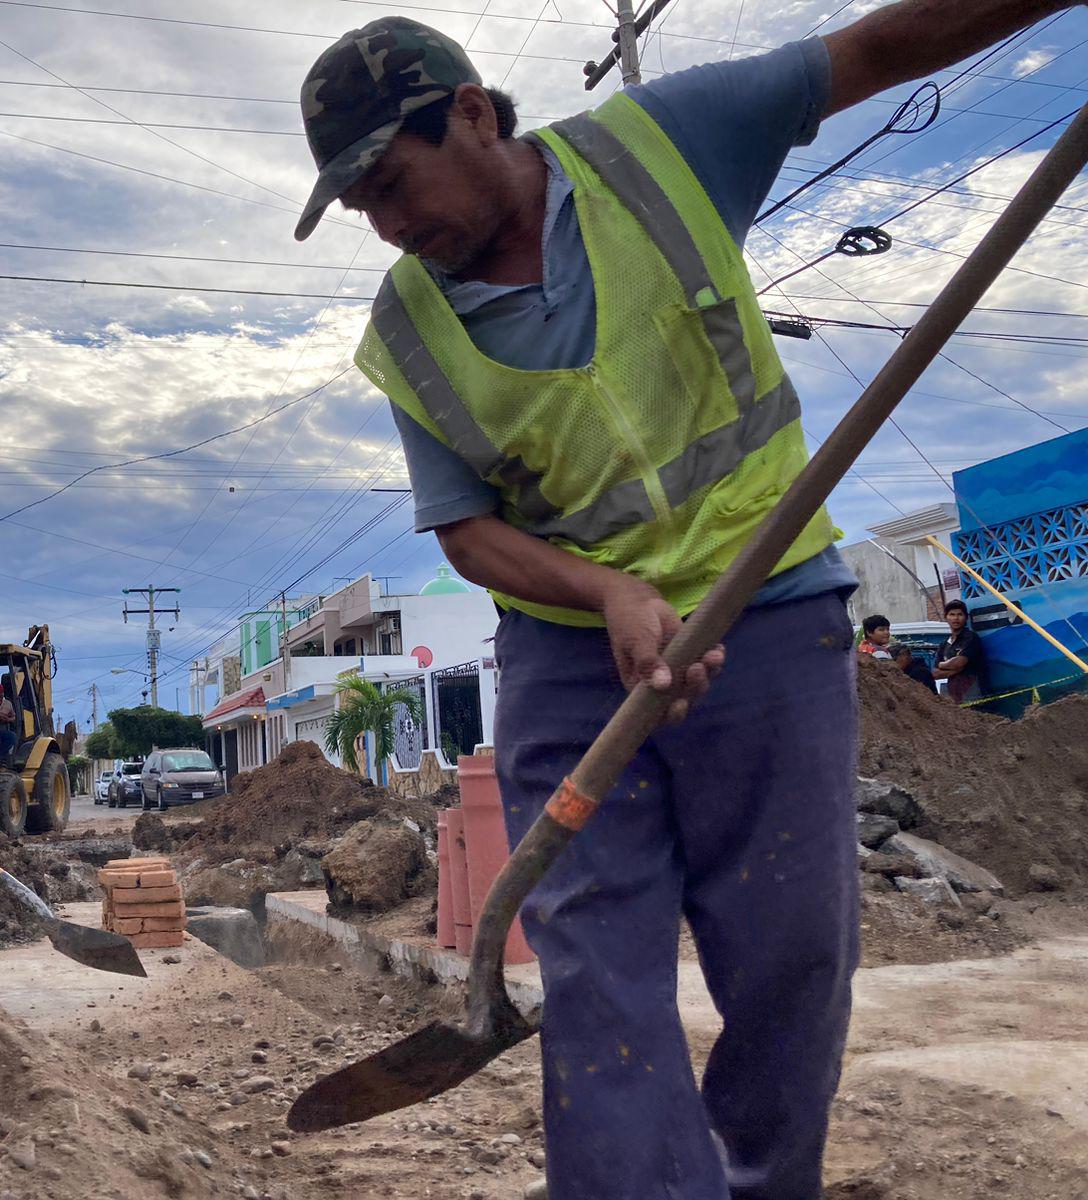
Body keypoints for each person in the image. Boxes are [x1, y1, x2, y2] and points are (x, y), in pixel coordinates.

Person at [292, 5, 1070, 1196]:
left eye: (395, 184)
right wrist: (605, 590)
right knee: (596, 960)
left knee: (789, 955)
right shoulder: (408, 329)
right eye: (364, 210)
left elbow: (866, 52)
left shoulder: (661, 146)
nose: (392, 226)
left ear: (470, 114)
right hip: (568, 654)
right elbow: (466, 532)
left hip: (765, 609)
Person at [935, 598, 985, 702]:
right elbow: (935, 673)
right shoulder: (944, 644)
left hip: (972, 694)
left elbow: (958, 663)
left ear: (966, 618)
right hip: (952, 697)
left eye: (959, 614)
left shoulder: (971, 638)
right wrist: (953, 670)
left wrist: (942, 665)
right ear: (946, 617)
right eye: (952, 614)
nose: (956, 618)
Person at [0, 682, 18, 761]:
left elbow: (13, 717)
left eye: (2, 692)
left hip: (2, 730)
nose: (1, 694)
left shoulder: (8, 704)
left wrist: (8, 719)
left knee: (12, 737)